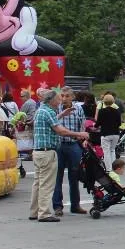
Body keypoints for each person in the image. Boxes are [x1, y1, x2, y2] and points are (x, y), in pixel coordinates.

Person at [30, 90, 87, 222]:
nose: (60, 100)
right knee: (47, 184)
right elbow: (60, 131)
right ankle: (44, 213)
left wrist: (62, 114)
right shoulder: (49, 111)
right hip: (47, 151)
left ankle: (34, 212)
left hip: (38, 151)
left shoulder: (41, 110)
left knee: (38, 183)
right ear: (52, 100)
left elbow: (51, 122)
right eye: (58, 98)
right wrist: (79, 134)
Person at [52, 87, 88, 216]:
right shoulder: (56, 108)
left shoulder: (78, 109)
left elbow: (82, 125)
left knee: (74, 175)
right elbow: (52, 124)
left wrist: (83, 138)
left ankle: (75, 205)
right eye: (62, 96)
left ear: (73, 97)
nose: (64, 98)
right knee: (58, 176)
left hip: (73, 144)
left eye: (67, 96)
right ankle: (57, 206)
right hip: (59, 145)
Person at [96, 94, 123, 164]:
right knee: (112, 150)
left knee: (106, 152)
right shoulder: (117, 111)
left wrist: (95, 125)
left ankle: (108, 168)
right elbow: (119, 123)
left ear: (104, 101)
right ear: (113, 101)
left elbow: (98, 123)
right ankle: (114, 166)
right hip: (115, 134)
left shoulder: (102, 111)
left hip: (105, 133)